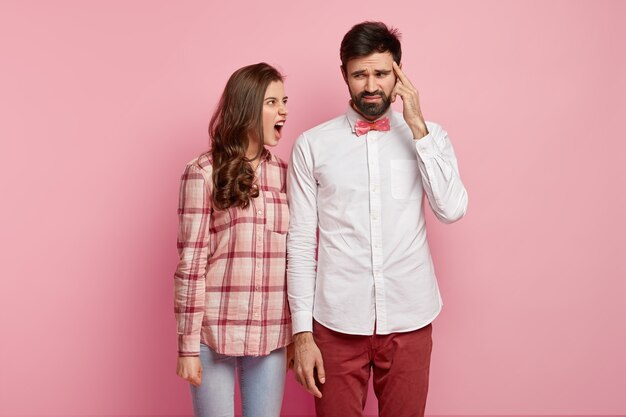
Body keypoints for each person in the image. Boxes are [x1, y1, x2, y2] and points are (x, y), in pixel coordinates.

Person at [287, 22, 468, 417]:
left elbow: (451, 209)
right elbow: (300, 242)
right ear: (344, 76)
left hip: (410, 317)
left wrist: (418, 128)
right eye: (360, 74)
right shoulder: (312, 145)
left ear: (399, 73)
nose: (371, 85)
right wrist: (302, 333)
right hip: (335, 324)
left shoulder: (429, 136)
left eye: (381, 73)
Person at [173, 62, 292, 417]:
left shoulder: (287, 174)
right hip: (214, 334)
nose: (283, 110)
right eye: (272, 102)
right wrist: (187, 348)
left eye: (284, 101)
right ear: (246, 107)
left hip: (270, 336)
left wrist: (299, 335)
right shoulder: (202, 173)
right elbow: (191, 264)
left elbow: (298, 256)